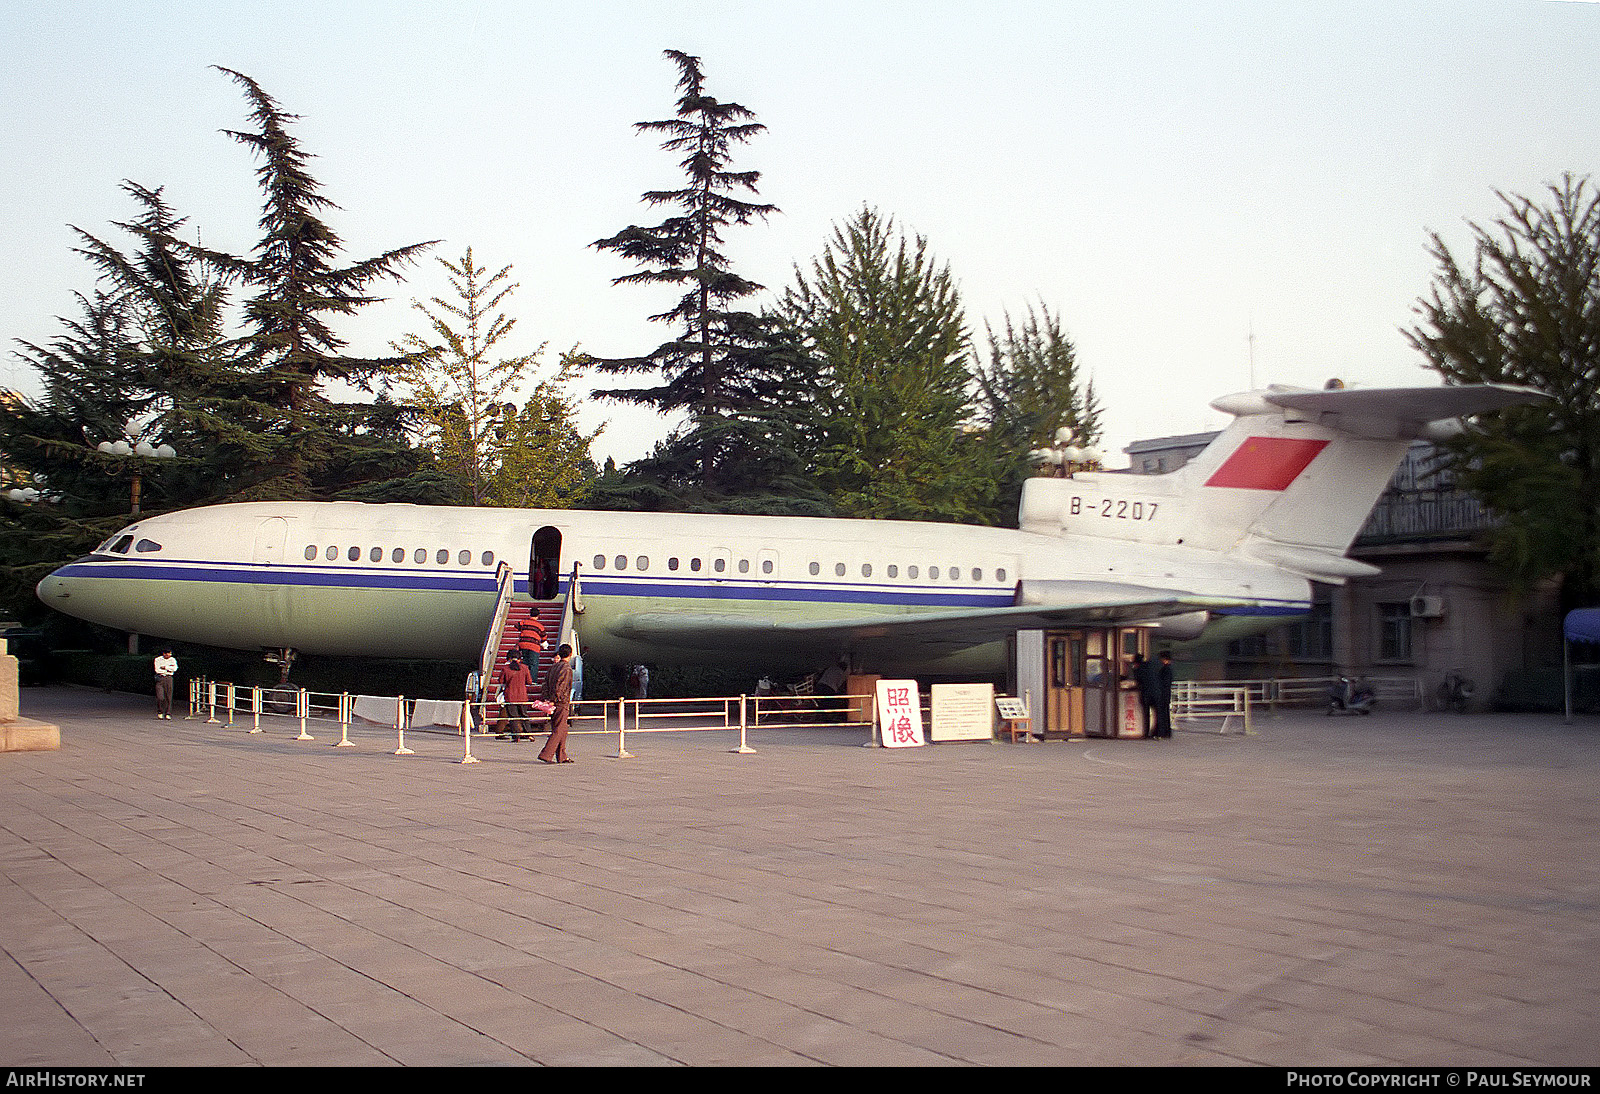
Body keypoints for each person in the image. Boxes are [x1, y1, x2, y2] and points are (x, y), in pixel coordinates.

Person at [538, 643, 575, 764]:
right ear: (570, 654)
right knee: (559, 729)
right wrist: (555, 698)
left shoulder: (553, 667)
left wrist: (547, 698)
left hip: (552, 700)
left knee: (562, 728)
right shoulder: (566, 668)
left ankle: (562, 755)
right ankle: (546, 754)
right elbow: (561, 685)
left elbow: (545, 683)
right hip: (561, 702)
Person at [498, 657, 536, 741]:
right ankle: (529, 734)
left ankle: (516, 736)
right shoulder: (525, 668)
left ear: (509, 659)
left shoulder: (505, 669)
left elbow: (500, 681)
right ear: (519, 659)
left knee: (513, 717)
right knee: (524, 715)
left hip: (510, 696)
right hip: (522, 696)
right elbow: (529, 681)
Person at [1130, 652, 1160, 738]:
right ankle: (1156, 732)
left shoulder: (1138, 669)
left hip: (1146, 694)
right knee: (1156, 714)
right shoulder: (1150, 666)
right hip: (1156, 692)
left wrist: (1134, 670)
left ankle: (1146, 733)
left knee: (1146, 714)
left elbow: (1138, 681)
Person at [1153, 650, 1175, 739]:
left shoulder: (1165, 669)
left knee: (1162, 714)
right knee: (1165, 713)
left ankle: (1162, 732)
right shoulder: (1168, 668)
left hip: (1162, 694)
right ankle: (1167, 732)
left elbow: (1163, 683)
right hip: (1166, 694)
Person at [153, 649, 177, 719]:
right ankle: (160, 711)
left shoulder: (172, 660)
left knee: (168, 696)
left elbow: (174, 668)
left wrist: (165, 667)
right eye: (166, 653)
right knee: (160, 696)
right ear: (163, 653)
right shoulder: (158, 659)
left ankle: (168, 713)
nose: (167, 655)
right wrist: (169, 669)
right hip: (160, 678)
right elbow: (157, 669)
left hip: (169, 678)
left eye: (169, 654)